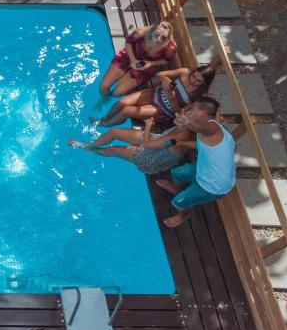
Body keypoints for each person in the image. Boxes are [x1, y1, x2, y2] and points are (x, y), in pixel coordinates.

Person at [155, 97, 236, 228]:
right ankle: (177, 189)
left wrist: (186, 123)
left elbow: (203, 130)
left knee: (177, 201)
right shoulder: (209, 127)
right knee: (176, 173)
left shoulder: (212, 129)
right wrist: (181, 143)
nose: (190, 110)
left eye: (194, 109)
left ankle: (184, 214)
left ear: (202, 114)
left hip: (213, 186)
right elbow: (202, 144)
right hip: (206, 170)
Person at [91, 65, 215, 134]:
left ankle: (104, 124)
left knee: (126, 111)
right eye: (194, 76)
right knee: (122, 102)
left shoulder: (199, 96)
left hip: (162, 110)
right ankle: (103, 119)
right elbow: (160, 75)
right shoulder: (185, 72)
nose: (193, 81)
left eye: (198, 81)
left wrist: (172, 99)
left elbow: (180, 113)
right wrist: (166, 81)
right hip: (154, 93)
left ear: (204, 83)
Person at [69, 125, 195, 175]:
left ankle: (86, 147)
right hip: (157, 142)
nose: (181, 113)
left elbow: (148, 145)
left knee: (113, 150)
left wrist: (148, 125)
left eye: (186, 114)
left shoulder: (182, 135)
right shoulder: (187, 126)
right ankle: (90, 144)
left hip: (151, 157)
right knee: (114, 132)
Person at [98, 21, 177, 97]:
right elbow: (128, 42)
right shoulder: (141, 33)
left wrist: (151, 63)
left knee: (117, 93)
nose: (159, 39)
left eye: (163, 38)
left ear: (168, 38)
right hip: (129, 56)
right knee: (104, 87)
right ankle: (103, 102)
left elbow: (166, 60)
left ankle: (110, 99)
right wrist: (132, 60)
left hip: (144, 68)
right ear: (151, 31)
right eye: (156, 35)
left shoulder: (170, 48)